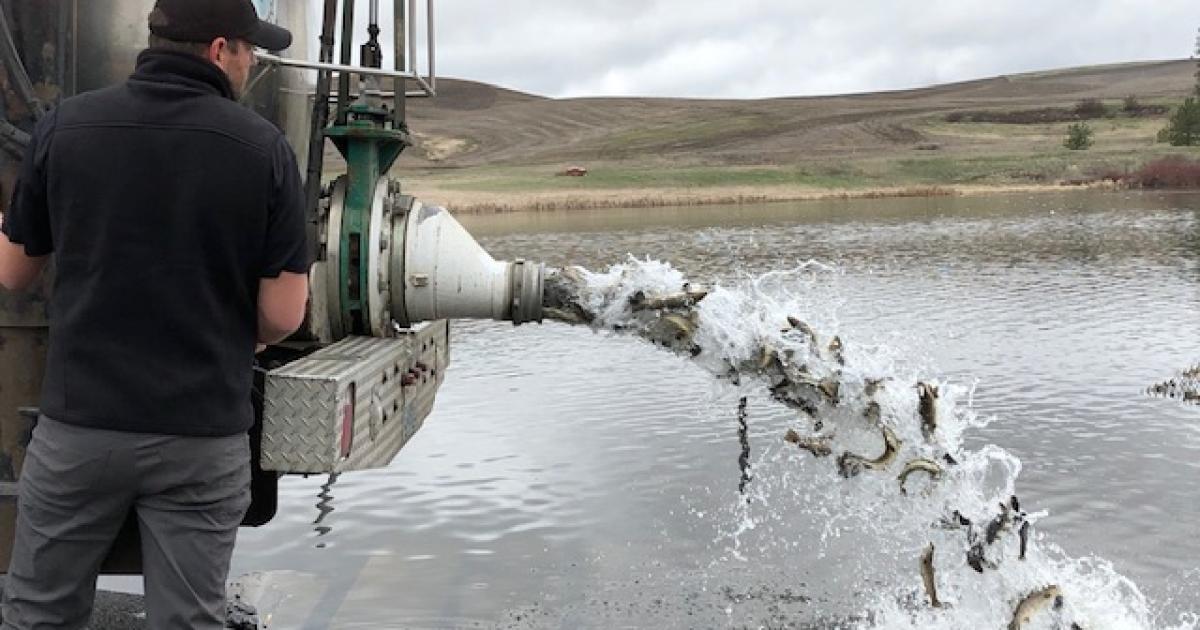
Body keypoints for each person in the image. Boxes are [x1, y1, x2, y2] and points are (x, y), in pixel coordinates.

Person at [0, 0, 309, 627]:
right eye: (250, 49)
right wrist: (225, 333)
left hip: (80, 431)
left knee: (39, 613)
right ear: (220, 50)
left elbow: (13, 274)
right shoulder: (264, 148)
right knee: (187, 619)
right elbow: (283, 314)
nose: (251, 63)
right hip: (200, 435)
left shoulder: (65, 126)